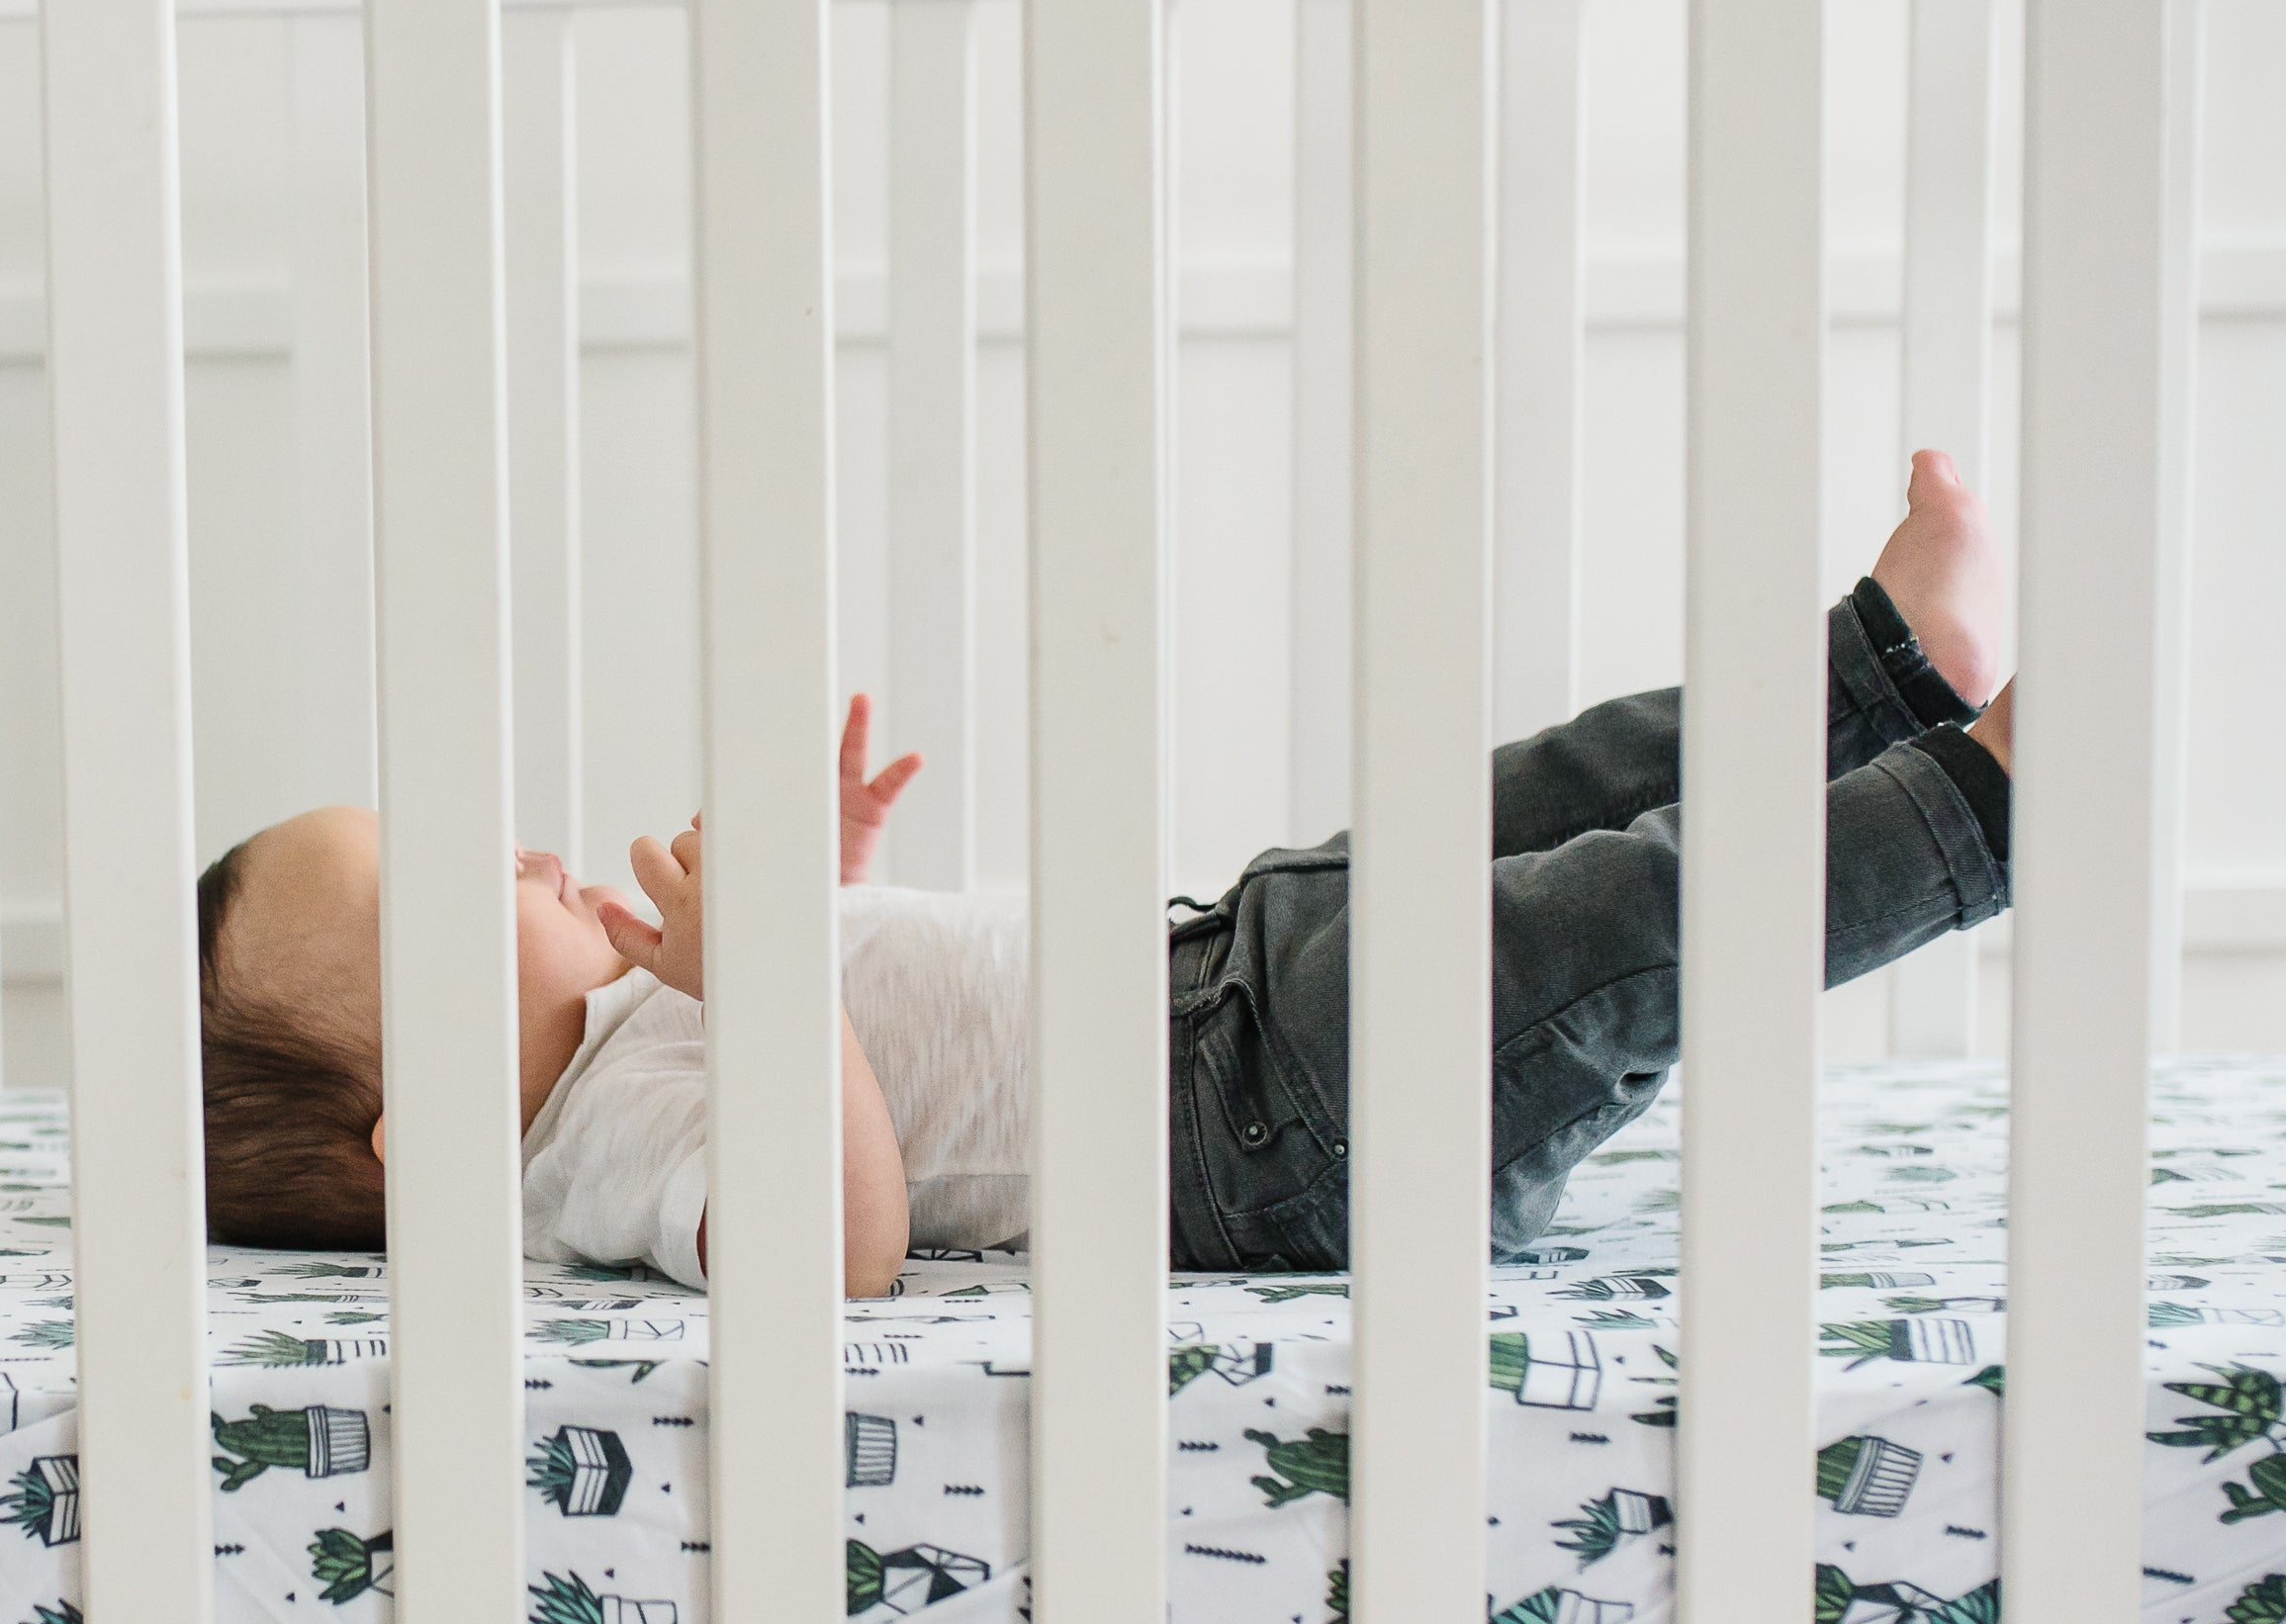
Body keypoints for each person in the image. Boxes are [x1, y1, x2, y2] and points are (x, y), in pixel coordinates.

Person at [194, 451, 2020, 1292]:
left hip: (1227, 983)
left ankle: (1882, 668)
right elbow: (841, 1246)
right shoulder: (592, 1153)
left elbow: (881, 1046)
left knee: (1541, 799)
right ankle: (1978, 803)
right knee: (1621, 919)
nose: (517, 849)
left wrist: (826, 893)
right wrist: (773, 993)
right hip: (1260, 1130)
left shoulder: (632, 1019)